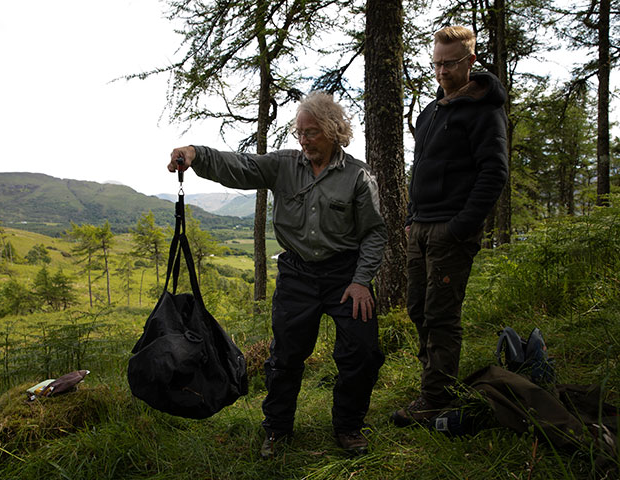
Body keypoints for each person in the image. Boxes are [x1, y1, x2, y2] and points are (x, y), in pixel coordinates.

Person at [168, 92, 387, 457]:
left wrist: (362, 281)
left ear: (334, 132)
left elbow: (374, 232)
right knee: (285, 356)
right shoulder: (284, 164)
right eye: (299, 133)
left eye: (312, 133)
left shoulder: (358, 176)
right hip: (297, 273)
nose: (303, 140)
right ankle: (277, 429)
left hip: (345, 274)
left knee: (361, 352)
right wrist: (196, 154)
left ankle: (349, 426)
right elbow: (241, 166)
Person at [391, 26, 508, 427]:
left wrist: (459, 228)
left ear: (471, 61)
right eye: (437, 63)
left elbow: (494, 174)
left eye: (450, 63)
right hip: (420, 228)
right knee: (418, 309)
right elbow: (420, 170)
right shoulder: (431, 111)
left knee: (441, 315)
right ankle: (434, 386)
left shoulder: (484, 110)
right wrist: (410, 219)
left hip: (450, 231)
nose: (441, 71)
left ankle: (435, 400)